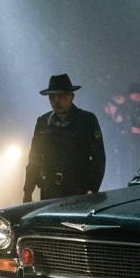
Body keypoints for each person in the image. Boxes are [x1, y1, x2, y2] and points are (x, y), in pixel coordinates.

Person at [23, 73, 106, 201]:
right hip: (49, 189)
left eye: (60, 96)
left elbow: (98, 157)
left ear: (71, 96)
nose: (55, 101)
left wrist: (93, 188)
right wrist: (28, 190)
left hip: (78, 189)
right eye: (52, 97)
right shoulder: (43, 122)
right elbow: (34, 158)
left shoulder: (87, 120)